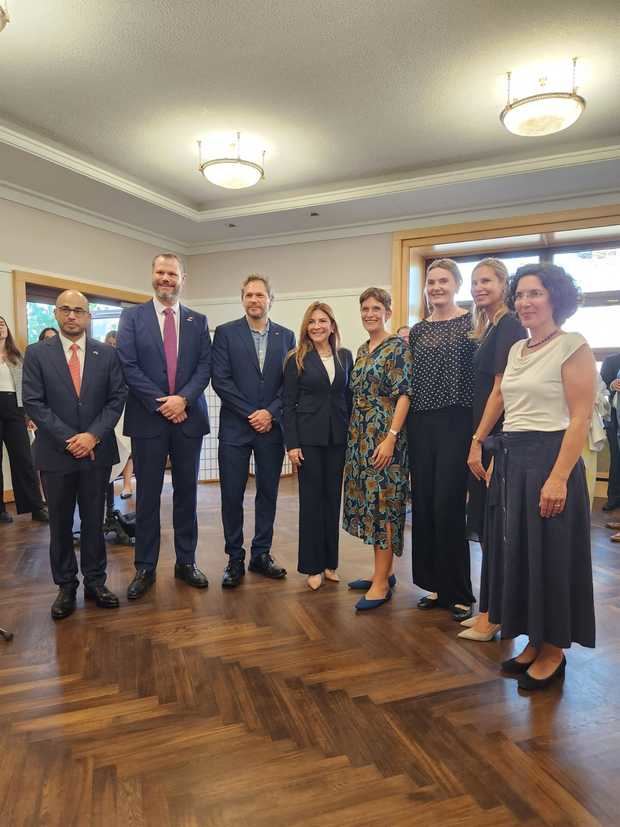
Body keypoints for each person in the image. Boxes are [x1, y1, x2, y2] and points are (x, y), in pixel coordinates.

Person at [484, 263, 596, 690]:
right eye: (521, 295)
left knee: (551, 555)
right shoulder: (518, 349)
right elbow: (510, 407)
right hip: (515, 460)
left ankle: (554, 650)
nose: (525, 302)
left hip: (552, 460)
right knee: (523, 555)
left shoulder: (573, 345)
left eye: (535, 294)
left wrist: (558, 477)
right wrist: (496, 450)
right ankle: (533, 639)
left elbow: (580, 418)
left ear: (556, 299)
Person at [22, 291, 126, 619]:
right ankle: (66, 585)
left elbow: (116, 398)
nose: (72, 316)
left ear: (88, 316)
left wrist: (92, 436)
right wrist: (71, 438)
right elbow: (34, 402)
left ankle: (95, 582)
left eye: (78, 311)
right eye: (65, 309)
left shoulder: (106, 355)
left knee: (94, 522)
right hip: (56, 454)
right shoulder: (37, 354)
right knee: (61, 525)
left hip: (96, 453)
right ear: (55, 313)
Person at [116, 253, 212, 599]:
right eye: (161, 272)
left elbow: (205, 367)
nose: (166, 278)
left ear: (182, 278)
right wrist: (164, 403)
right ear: (152, 275)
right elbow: (128, 365)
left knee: (187, 494)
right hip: (148, 420)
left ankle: (186, 562)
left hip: (188, 419)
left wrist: (182, 399)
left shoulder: (198, 321)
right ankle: (145, 566)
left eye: (172, 273)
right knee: (148, 497)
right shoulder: (132, 317)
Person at [457, 259, 526, 642]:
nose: (478, 287)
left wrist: (477, 441)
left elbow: (500, 392)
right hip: (487, 436)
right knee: (486, 524)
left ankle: (495, 614)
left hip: (496, 440)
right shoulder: (492, 326)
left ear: (503, 284)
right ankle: (488, 608)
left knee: (494, 527)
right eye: (475, 282)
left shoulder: (509, 325)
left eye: (486, 281)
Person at [212, 274, 295, 588]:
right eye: (249, 295)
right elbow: (220, 381)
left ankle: (261, 554)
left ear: (271, 299)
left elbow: (290, 384)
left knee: (268, 494)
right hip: (236, 428)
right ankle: (235, 558)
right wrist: (252, 413)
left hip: (271, 429)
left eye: (260, 295)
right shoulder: (225, 333)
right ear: (242, 298)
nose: (254, 300)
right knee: (231, 496)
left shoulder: (287, 337)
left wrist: (270, 413)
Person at [407, 259, 477, 621]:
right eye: (431, 281)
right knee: (425, 503)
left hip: (457, 421)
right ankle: (434, 584)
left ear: (456, 284)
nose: (436, 287)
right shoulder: (417, 331)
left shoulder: (472, 322)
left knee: (450, 505)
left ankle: (460, 590)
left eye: (443, 281)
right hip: (421, 424)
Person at [342, 287, 412, 611]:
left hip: (385, 439)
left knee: (385, 506)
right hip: (360, 437)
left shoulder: (397, 347)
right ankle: (382, 573)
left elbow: (404, 394)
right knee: (370, 506)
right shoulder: (361, 349)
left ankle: (382, 584)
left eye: (376, 308)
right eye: (365, 308)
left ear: (388, 311)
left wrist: (391, 437)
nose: (369, 313)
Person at [283, 302, 353, 590]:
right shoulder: (295, 358)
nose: (316, 326)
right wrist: (292, 444)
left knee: (331, 501)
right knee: (311, 503)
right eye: (311, 321)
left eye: (322, 321)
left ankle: (329, 564)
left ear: (332, 325)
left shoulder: (345, 357)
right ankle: (312, 566)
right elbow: (288, 405)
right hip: (308, 440)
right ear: (305, 327)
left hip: (337, 439)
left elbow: (348, 399)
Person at [0, 314, 49, 525]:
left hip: (14, 409)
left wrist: (29, 415)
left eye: (2, 324)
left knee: (24, 460)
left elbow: (26, 388)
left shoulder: (16, 356)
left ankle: (36, 508)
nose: (0, 328)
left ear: (7, 329)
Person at [104, 329, 133, 499]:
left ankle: (127, 484)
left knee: (127, 449)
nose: (113, 347)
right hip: (107, 410)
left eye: (116, 344)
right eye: (110, 344)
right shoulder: (100, 361)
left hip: (126, 408)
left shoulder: (128, 361)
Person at [600, 352, 620, 512]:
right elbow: (600, 386)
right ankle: (614, 499)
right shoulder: (611, 360)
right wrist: (612, 385)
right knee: (616, 459)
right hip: (614, 420)